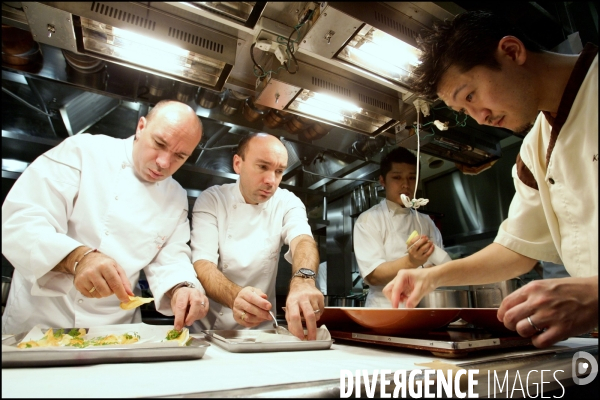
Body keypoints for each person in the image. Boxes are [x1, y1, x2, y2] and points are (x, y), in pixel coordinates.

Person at [383, 11, 598, 348]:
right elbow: (517, 249)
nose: (480, 118)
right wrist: (431, 276)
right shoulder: (534, 151)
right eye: (466, 111)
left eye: (471, 96)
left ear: (512, 52)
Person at [2, 100, 209, 334]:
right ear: (141, 127)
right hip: (42, 319)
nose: (164, 163)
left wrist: (183, 287)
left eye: (179, 156)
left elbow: (171, 258)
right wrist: (78, 258)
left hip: (112, 329)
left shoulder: (176, 196)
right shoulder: (82, 152)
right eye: (159, 143)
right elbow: (21, 220)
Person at [190, 132, 324, 340]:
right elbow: (203, 263)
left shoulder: (287, 201)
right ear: (238, 164)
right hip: (209, 332)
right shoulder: (213, 199)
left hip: (262, 331)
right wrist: (235, 296)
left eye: (279, 171)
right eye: (262, 167)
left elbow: (303, 241)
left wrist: (304, 280)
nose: (271, 180)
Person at [354, 146, 451, 307]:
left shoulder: (426, 222)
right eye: (397, 178)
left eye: (412, 178)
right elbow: (373, 275)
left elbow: (440, 266)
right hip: (384, 311)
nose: (406, 184)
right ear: (383, 181)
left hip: (425, 309)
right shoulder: (368, 220)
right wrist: (411, 261)